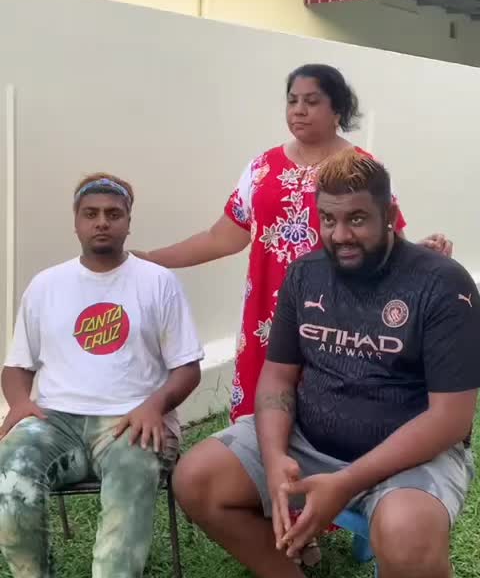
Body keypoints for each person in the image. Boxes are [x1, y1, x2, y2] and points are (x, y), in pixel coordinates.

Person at [173, 149, 479, 578]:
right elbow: (278, 376)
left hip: (410, 456)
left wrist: (346, 483)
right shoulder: (306, 274)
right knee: (196, 478)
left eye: (357, 219)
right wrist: (275, 459)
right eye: (328, 219)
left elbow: (450, 418)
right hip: (309, 440)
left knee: (408, 539)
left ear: (389, 215)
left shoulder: (442, 284)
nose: (340, 235)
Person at [137, 64, 450, 424]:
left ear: (338, 110)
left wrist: (424, 255)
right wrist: (151, 258)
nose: (298, 110)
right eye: (292, 101)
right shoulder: (261, 169)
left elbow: (390, 244)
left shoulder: (363, 170)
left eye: (311, 102)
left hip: (338, 320)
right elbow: (220, 238)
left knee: (335, 420)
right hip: (267, 320)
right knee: (261, 425)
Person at [0, 173, 203, 578]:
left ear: (129, 222)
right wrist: (19, 402)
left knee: (131, 480)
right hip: (57, 421)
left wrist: (156, 405)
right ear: (76, 221)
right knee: (9, 472)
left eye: (114, 214)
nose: (102, 223)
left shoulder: (156, 282)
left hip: (133, 419)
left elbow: (187, 368)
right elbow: (17, 365)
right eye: (91, 214)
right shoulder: (47, 285)